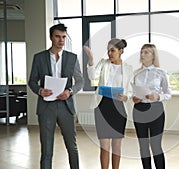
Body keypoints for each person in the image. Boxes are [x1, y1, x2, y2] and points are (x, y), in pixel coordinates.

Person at [28, 23, 84, 169]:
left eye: (64, 37)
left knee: (72, 147)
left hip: (66, 106)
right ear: (51, 37)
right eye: (58, 36)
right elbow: (32, 81)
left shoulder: (72, 58)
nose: (61, 40)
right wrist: (40, 90)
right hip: (46, 107)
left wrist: (70, 91)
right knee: (46, 149)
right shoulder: (39, 58)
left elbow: (80, 81)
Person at [84, 38, 133, 169]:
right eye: (108, 50)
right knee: (104, 146)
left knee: (116, 146)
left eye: (112, 50)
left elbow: (131, 90)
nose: (109, 53)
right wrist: (91, 59)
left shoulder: (128, 68)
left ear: (121, 51)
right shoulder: (103, 63)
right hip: (102, 106)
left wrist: (126, 97)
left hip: (119, 108)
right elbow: (92, 76)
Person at [131, 44, 171, 169]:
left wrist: (158, 97)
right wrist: (134, 97)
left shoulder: (161, 72)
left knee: (156, 145)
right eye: (142, 52)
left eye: (146, 52)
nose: (142, 55)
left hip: (156, 109)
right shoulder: (136, 73)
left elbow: (168, 93)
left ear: (153, 55)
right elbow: (131, 91)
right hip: (139, 109)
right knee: (143, 145)